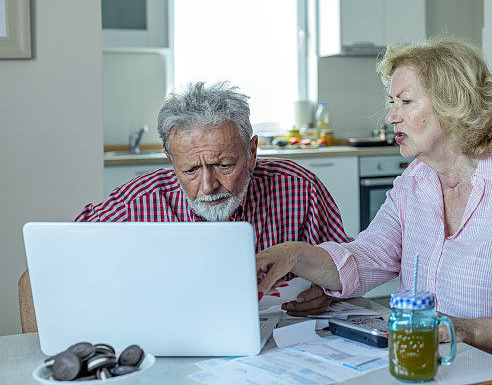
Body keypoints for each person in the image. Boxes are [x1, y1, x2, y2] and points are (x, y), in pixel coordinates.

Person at [255, 39, 492, 383]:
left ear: (455, 104)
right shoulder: (415, 182)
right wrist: (296, 255)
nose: (392, 116)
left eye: (406, 101)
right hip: (449, 372)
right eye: (392, 102)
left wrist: (461, 329)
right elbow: (366, 257)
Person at [76, 81, 350, 315]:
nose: (208, 186)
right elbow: (56, 263)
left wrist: (328, 291)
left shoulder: (299, 187)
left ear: (252, 152)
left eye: (224, 165)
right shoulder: (135, 203)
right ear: (171, 161)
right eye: (190, 170)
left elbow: (351, 265)